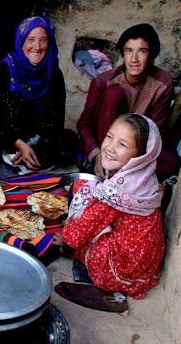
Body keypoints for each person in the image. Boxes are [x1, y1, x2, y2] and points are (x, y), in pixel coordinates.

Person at [61, 113, 165, 300]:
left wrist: (66, 239)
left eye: (122, 144)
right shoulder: (145, 178)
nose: (110, 147)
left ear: (140, 156)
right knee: (86, 190)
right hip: (145, 263)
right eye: (109, 137)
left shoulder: (118, 190)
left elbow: (81, 231)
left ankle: (88, 269)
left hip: (122, 268)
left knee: (80, 193)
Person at [76, 23, 179, 180]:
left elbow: (155, 132)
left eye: (142, 51)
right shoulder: (105, 81)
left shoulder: (162, 84)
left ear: (152, 56)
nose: (134, 59)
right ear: (123, 54)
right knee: (114, 93)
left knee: (171, 162)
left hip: (135, 148)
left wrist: (132, 161)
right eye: (128, 50)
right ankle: (105, 166)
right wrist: (97, 155)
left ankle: (122, 172)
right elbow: (84, 124)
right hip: (105, 146)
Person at [0, 15, 78, 174]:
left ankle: (25, 159)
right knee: (6, 107)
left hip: (38, 139)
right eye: (31, 39)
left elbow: (56, 119)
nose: (37, 46)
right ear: (21, 41)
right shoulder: (4, 70)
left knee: (69, 139)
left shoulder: (53, 72)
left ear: (49, 42)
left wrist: (31, 143)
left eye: (43, 40)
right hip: (8, 137)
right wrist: (18, 143)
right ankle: (15, 155)